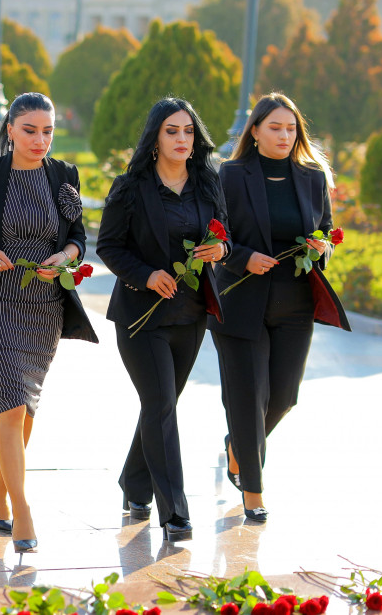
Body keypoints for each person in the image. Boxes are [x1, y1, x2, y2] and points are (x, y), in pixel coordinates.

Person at [0, 92, 99, 554]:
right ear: (10, 129)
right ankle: (22, 508)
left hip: (44, 308)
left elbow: (76, 237)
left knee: (26, 408)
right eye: (29, 130)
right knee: (11, 401)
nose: (40, 139)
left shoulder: (63, 175)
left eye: (47, 131)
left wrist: (64, 256)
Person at [210, 93, 349, 522]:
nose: (285, 135)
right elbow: (213, 234)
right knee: (249, 396)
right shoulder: (229, 175)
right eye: (275, 127)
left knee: (284, 396)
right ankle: (253, 492)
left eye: (291, 128)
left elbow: (324, 230)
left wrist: (322, 245)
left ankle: (239, 445)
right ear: (254, 131)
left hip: (295, 300)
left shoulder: (310, 178)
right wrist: (242, 257)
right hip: (240, 299)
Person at [95, 97, 229, 541]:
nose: (181, 139)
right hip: (140, 317)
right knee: (161, 406)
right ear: (155, 137)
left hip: (191, 315)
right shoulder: (130, 187)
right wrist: (147, 275)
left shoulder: (208, 184)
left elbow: (223, 234)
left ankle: (133, 484)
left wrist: (220, 250)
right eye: (172, 131)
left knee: (162, 406)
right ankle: (174, 510)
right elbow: (110, 248)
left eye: (188, 131)